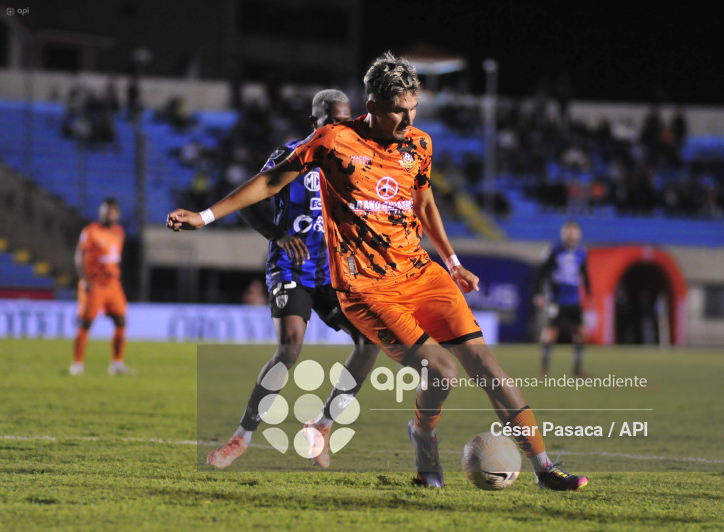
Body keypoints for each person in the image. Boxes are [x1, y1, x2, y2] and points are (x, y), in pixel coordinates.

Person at [168, 52, 587, 491]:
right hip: (367, 288)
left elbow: (423, 202)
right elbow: (272, 181)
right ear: (372, 105)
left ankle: (544, 469)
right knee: (441, 373)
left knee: (488, 366)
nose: (408, 120)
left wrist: (453, 261)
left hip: (421, 273)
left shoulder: (419, 145)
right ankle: (423, 435)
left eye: (413, 108)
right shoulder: (333, 141)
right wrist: (205, 216)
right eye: (397, 111)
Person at [205, 90, 380, 470]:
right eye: (330, 121)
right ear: (314, 121)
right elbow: (250, 200)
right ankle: (242, 436)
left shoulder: (356, 160)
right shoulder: (291, 155)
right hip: (291, 266)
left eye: (344, 121)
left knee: (370, 341)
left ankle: (323, 426)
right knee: (290, 349)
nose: (337, 128)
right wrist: (277, 235)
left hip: (332, 270)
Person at [70, 198, 135, 376]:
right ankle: (77, 364)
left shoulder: (119, 233)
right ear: (101, 212)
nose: (110, 214)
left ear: (118, 214)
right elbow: (79, 255)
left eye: (113, 211)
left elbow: (114, 260)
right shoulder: (90, 231)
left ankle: (117, 363)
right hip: (94, 285)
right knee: (86, 323)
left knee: (121, 321)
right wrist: (84, 280)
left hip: (113, 286)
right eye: (107, 210)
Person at [533, 220, 592, 377]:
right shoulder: (554, 249)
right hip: (556, 299)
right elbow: (542, 271)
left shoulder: (581, 252)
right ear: (564, 233)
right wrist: (539, 293)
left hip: (574, 300)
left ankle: (577, 370)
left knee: (580, 333)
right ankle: (544, 370)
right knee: (551, 332)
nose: (571, 235)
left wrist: (589, 294)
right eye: (569, 232)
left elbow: (585, 275)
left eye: (574, 232)